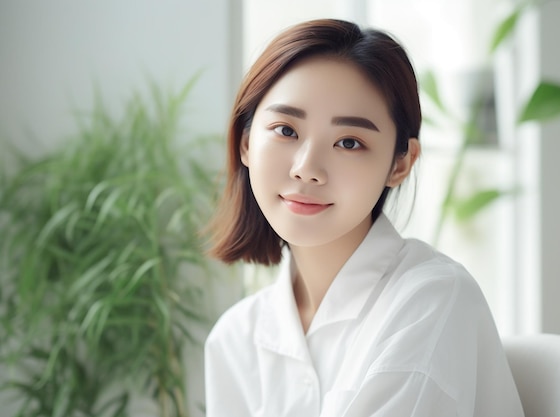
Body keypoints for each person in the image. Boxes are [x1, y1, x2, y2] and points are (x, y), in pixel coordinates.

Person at [204, 19, 524, 417]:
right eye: (286, 130)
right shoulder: (235, 339)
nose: (307, 168)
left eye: (349, 142)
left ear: (400, 163)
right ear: (247, 144)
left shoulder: (432, 301)